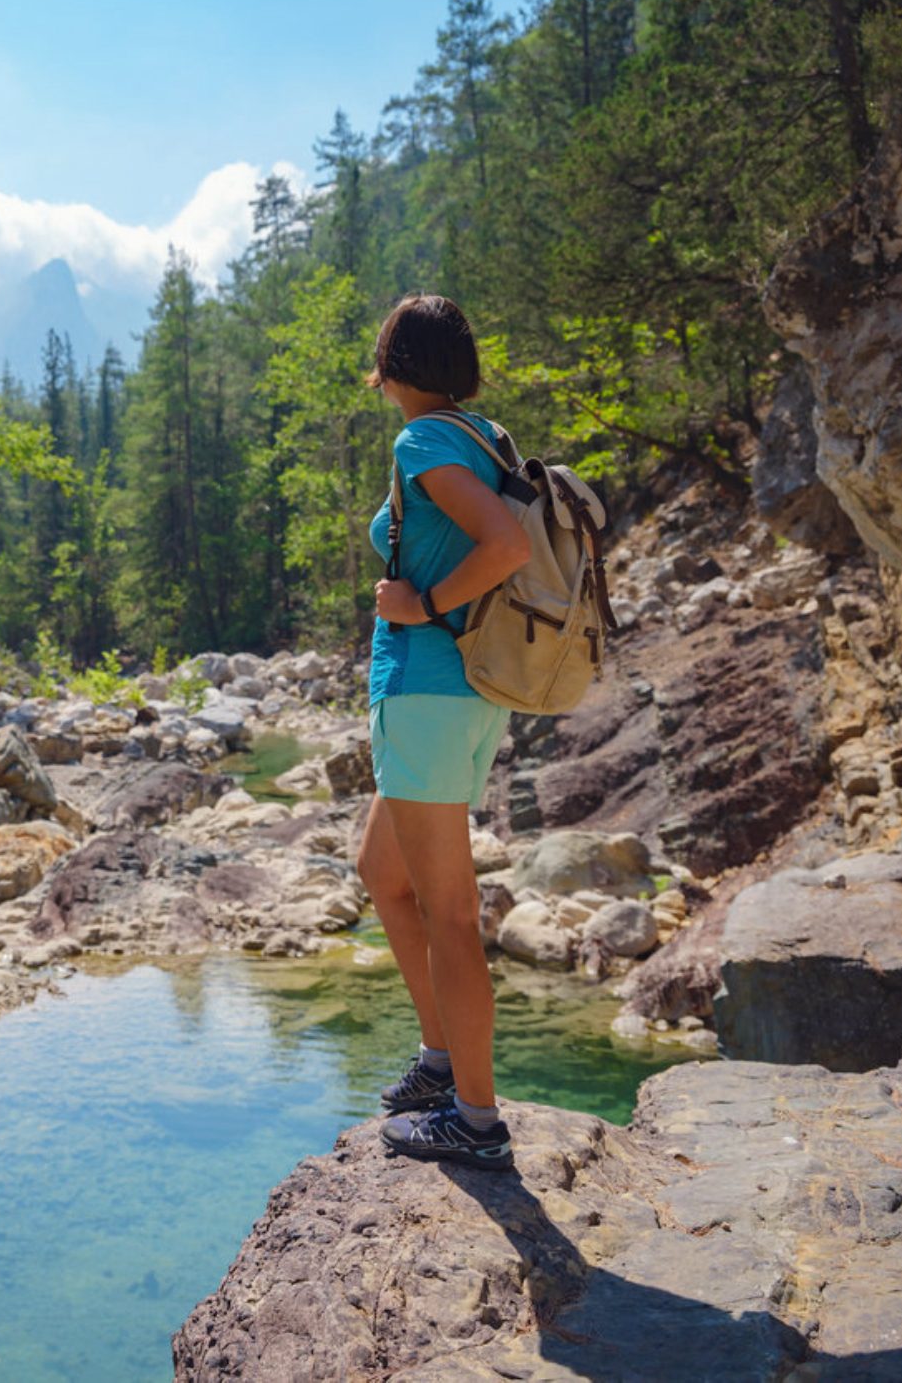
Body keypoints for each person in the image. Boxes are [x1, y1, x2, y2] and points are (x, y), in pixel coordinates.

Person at [356, 294, 529, 1172]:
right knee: (381, 873)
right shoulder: (482, 434)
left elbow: (504, 546)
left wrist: (419, 603)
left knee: (451, 914)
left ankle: (476, 1119)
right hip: (456, 695)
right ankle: (439, 1062)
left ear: (395, 364)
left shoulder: (421, 441)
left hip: (427, 692)